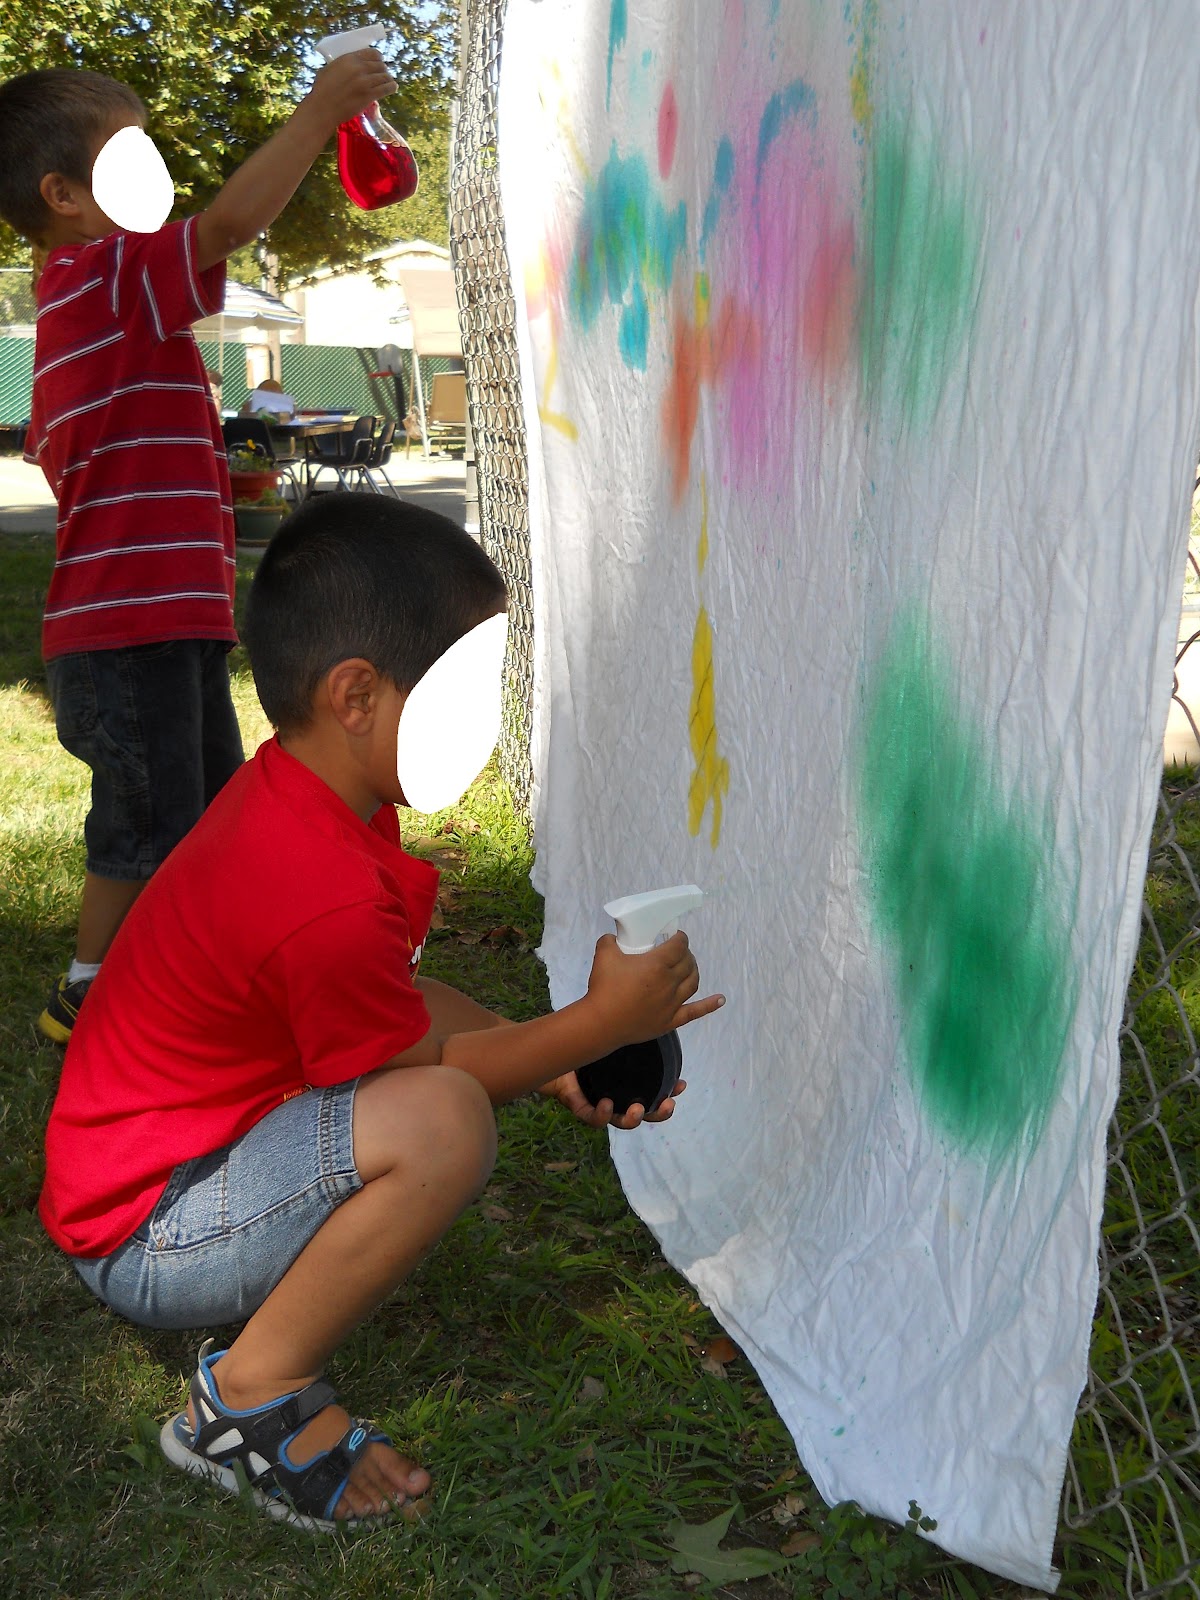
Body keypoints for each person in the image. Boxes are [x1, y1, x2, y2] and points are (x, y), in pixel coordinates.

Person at [38, 491, 725, 1532]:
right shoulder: (311, 884)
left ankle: (253, 1375)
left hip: (157, 1179)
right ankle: (247, 1399)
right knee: (446, 1122)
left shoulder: (310, 801)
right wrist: (594, 1023)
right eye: (461, 689)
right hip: (144, 1230)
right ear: (357, 693)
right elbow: (426, 1073)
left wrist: (557, 1057)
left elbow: (402, 1014)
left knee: (437, 1086)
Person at [0, 47, 396, 1041]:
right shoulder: (103, 277)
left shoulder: (103, 302)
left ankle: (202, 964)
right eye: (125, 157)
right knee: (145, 824)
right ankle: (88, 988)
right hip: (128, 630)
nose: (157, 178)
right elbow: (224, 225)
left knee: (205, 811)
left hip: (162, 622)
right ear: (66, 197)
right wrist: (320, 111)